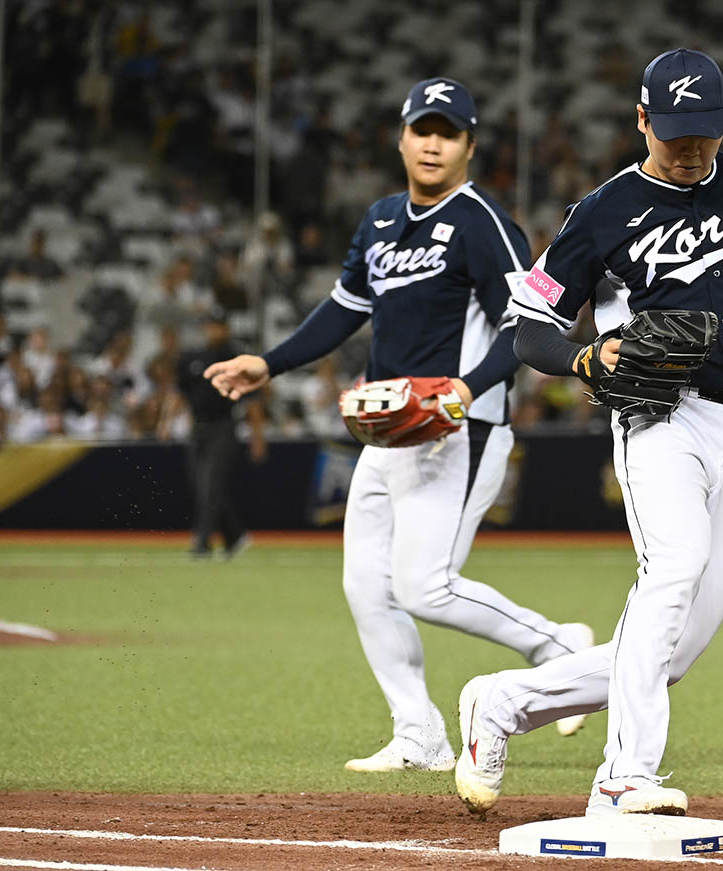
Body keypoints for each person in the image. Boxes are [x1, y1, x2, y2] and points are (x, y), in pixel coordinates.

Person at [454, 49, 723, 818]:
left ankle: (499, 702)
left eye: (704, 133)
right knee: (673, 571)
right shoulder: (604, 210)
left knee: (674, 648)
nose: (691, 147)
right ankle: (624, 775)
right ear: (642, 121)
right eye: (674, 134)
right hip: (662, 419)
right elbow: (529, 325)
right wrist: (580, 356)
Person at [204, 77, 594, 773]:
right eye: (424, 129)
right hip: (389, 430)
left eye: (448, 132)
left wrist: (466, 390)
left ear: (470, 144)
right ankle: (419, 732)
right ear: (402, 137)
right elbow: (343, 308)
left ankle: (559, 648)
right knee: (365, 584)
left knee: (425, 584)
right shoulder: (382, 219)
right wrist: (269, 362)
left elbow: (525, 326)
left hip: (461, 430)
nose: (434, 143)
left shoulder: (483, 222)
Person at [175, 307, 266, 557]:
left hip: (224, 428)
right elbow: (180, 393)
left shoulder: (236, 358)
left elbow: (253, 401)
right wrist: (166, 420)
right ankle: (234, 535)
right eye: (209, 325)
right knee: (202, 486)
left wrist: (257, 437)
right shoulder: (192, 357)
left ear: (226, 328)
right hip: (197, 428)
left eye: (218, 325)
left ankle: (201, 544)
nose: (213, 330)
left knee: (210, 484)